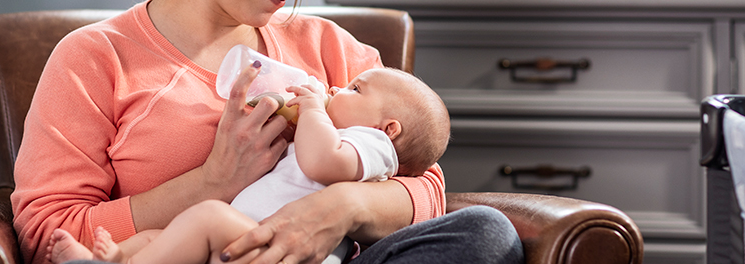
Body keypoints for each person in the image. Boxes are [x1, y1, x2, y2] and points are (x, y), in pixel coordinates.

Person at [10, 0, 524, 264]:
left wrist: (338, 208)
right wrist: (210, 184)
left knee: (486, 232)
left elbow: (424, 181)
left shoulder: (331, 49)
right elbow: (47, 232)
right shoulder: (95, 59)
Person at [46, 67, 451, 264]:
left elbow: (325, 162)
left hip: (287, 254)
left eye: (353, 89)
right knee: (158, 236)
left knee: (206, 218)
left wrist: (312, 109)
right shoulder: (94, 59)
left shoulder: (373, 144)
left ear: (389, 128)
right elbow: (47, 223)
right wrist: (212, 179)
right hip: (246, 242)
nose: (335, 87)